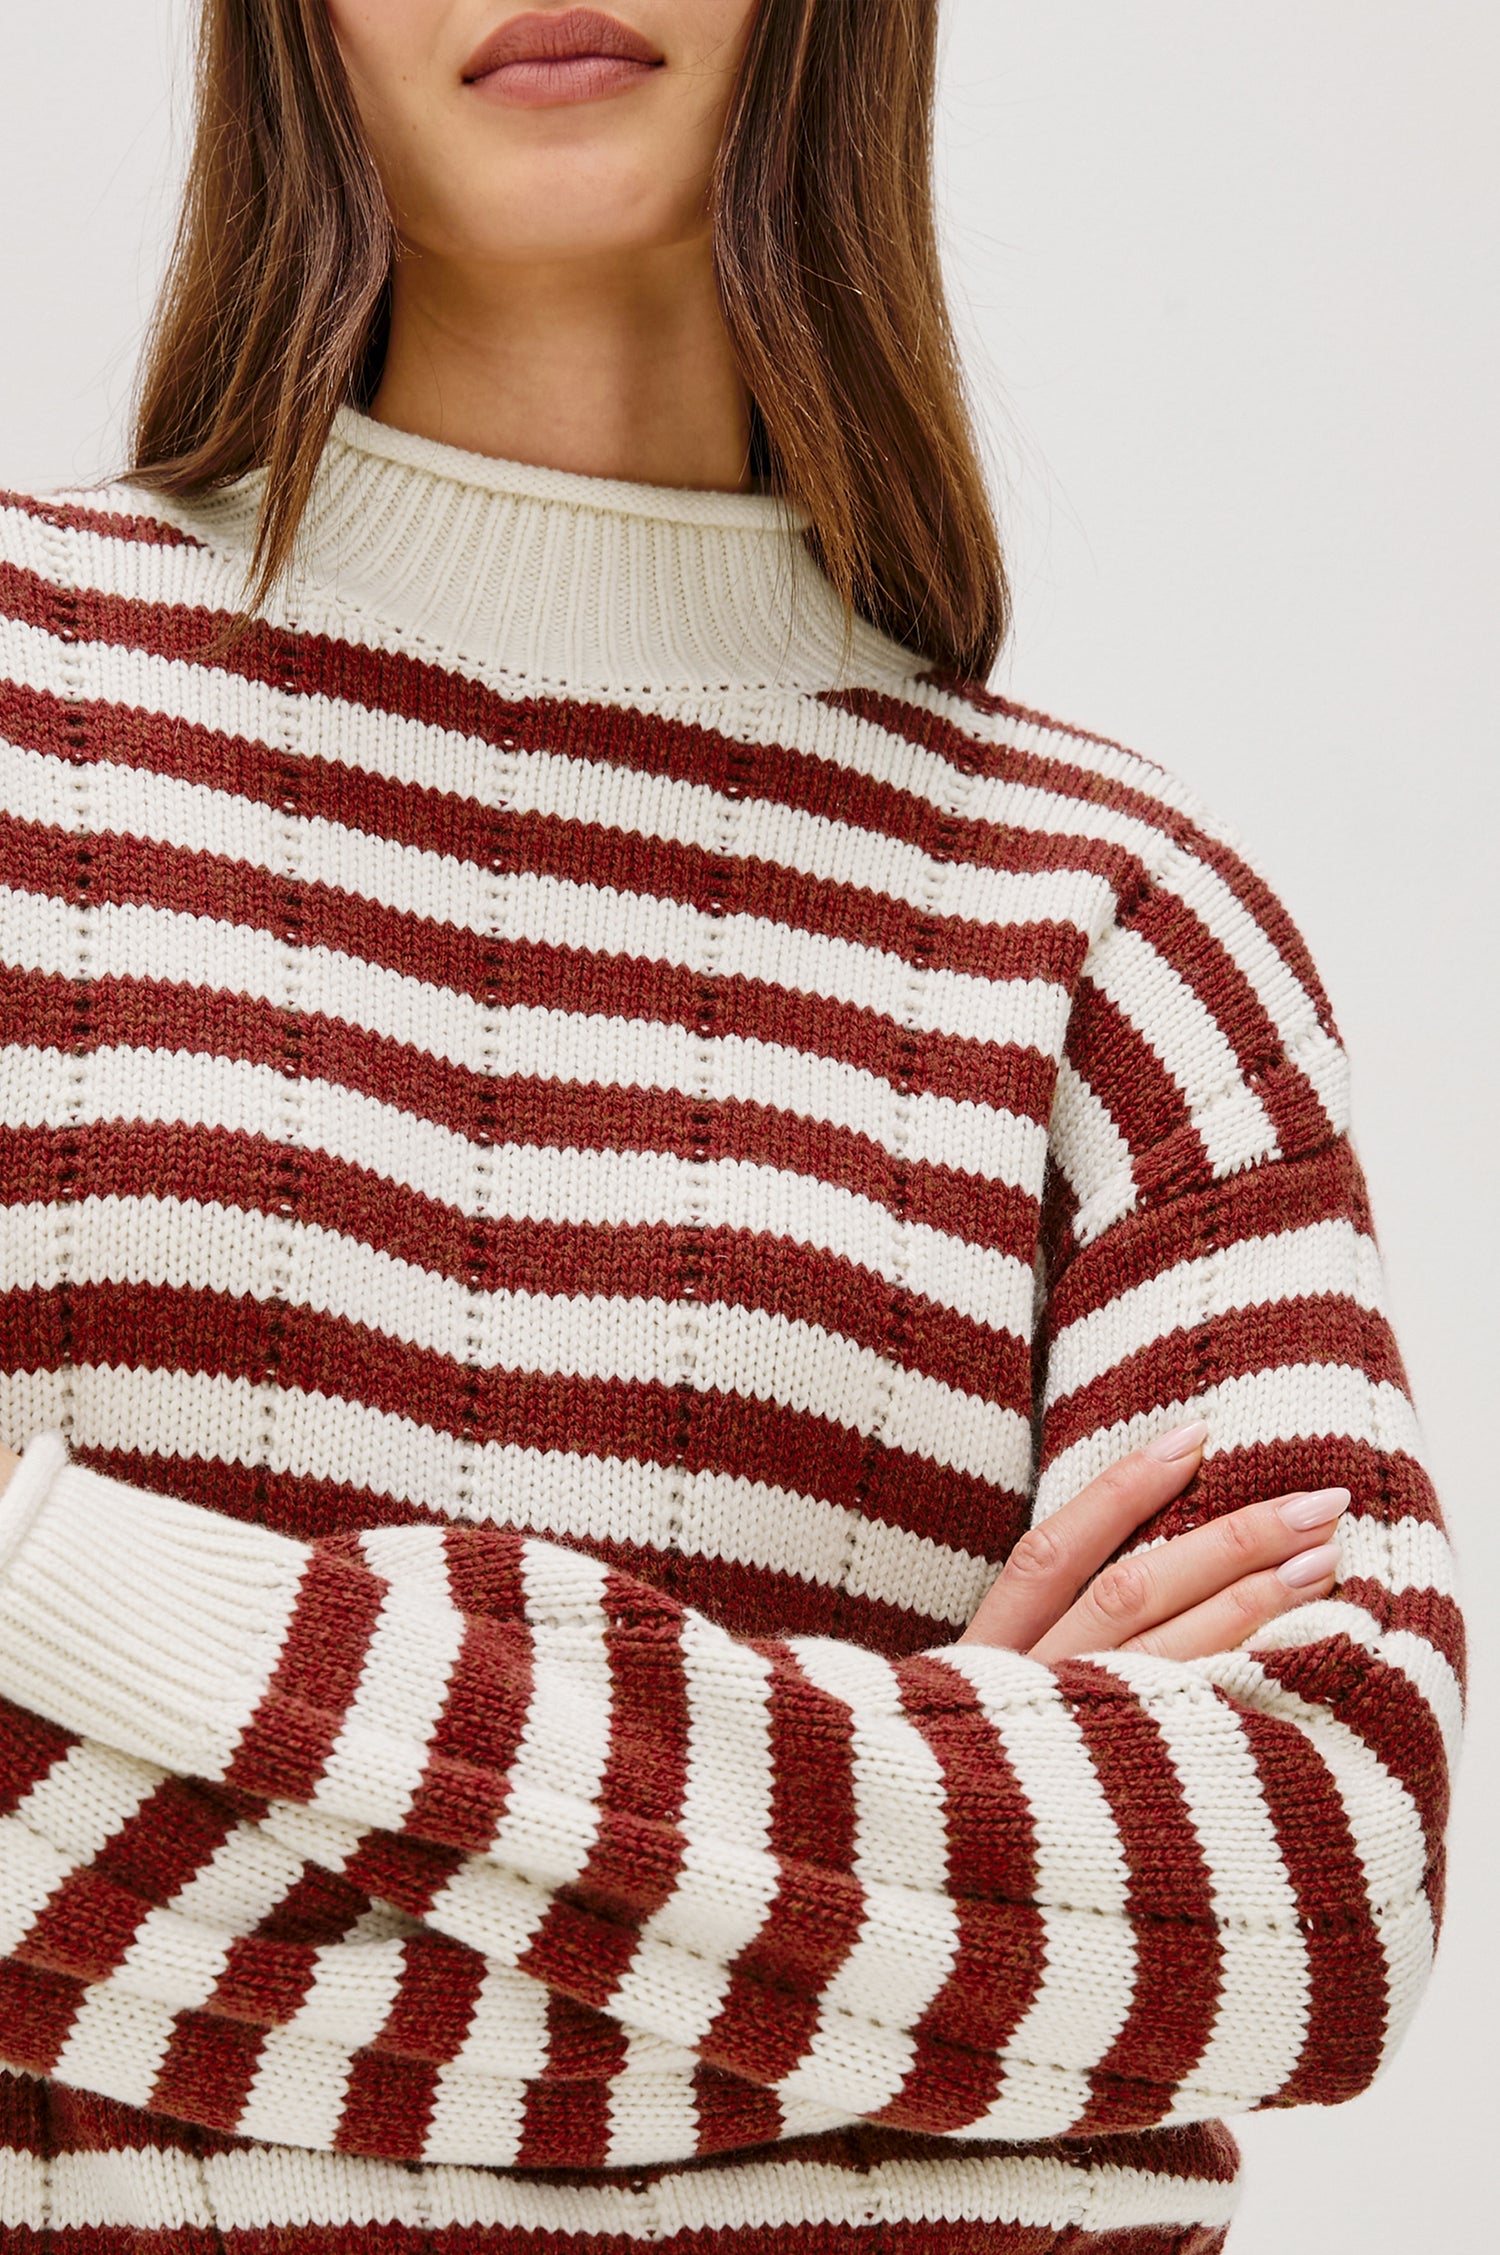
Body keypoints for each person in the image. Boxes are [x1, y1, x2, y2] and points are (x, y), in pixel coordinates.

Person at [0, 4, 1460, 2251]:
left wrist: (63, 1597)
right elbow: (1140, 1957)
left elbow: (1319, 1891)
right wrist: (955, 1971)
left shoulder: (1118, 933)